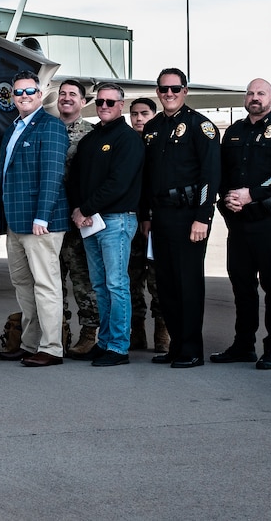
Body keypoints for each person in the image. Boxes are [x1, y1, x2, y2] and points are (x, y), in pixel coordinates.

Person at [211, 78, 271, 370]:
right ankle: (243, 345)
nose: (255, 97)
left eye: (261, 93)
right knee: (242, 287)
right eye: (250, 93)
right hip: (239, 223)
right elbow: (223, 172)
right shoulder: (234, 132)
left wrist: (252, 194)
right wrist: (228, 197)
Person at [140, 68, 220, 369]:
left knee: (188, 284)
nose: (169, 94)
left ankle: (192, 349)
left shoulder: (201, 126)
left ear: (185, 91)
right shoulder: (153, 127)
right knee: (167, 284)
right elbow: (148, 177)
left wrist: (203, 217)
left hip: (189, 216)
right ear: (158, 92)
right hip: (161, 216)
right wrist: (146, 216)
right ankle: (176, 345)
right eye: (164, 89)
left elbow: (210, 176)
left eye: (175, 88)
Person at [0, 72, 71, 367]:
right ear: (12, 97)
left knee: (46, 286)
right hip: (14, 222)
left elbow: (52, 175)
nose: (23, 97)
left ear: (40, 94)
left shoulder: (51, 126)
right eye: (18, 92)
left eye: (29, 91)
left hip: (41, 225)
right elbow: (3, 178)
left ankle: (51, 348)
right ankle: (29, 344)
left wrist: (42, 217)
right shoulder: (13, 128)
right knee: (23, 285)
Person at [67, 83, 144, 367]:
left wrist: (86, 208)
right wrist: (78, 210)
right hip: (89, 222)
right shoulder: (90, 139)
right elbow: (75, 179)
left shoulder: (128, 139)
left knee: (116, 284)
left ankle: (119, 347)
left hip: (116, 220)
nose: (104, 106)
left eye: (110, 102)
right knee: (99, 285)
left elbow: (118, 183)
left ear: (121, 105)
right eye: (100, 102)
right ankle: (104, 342)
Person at [56, 79, 97, 359]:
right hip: (50, 219)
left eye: (73, 94)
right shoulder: (47, 129)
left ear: (83, 102)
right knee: (51, 281)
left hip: (78, 220)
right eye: (62, 94)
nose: (66, 98)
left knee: (83, 280)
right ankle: (58, 330)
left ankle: (89, 334)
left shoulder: (92, 134)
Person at [127, 97, 167, 353]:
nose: (139, 118)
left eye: (144, 113)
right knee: (131, 279)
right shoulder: (127, 142)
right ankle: (137, 330)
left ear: (154, 115)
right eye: (135, 114)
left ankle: (162, 331)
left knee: (157, 279)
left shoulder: (161, 142)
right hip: (130, 220)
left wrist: (150, 216)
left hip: (155, 221)